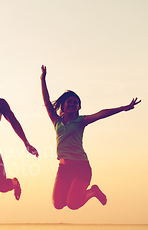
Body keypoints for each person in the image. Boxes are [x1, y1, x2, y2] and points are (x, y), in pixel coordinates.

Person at [40, 65, 141, 210]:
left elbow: (101, 114)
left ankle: (93, 191)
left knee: (73, 204)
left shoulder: (81, 121)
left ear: (78, 107)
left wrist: (123, 108)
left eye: (76, 103)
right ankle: (89, 192)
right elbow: (47, 101)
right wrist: (43, 79)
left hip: (81, 167)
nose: (73, 104)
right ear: (62, 105)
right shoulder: (56, 121)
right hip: (63, 168)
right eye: (70, 101)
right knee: (58, 204)